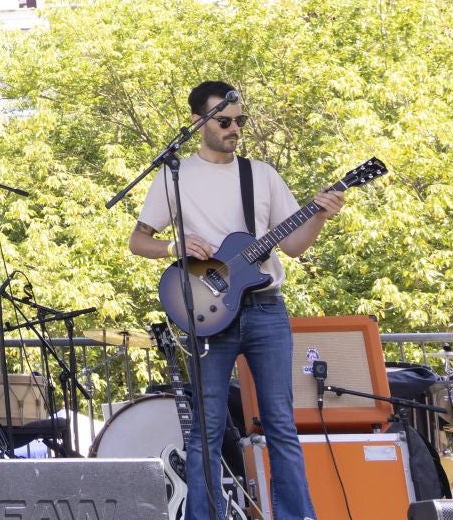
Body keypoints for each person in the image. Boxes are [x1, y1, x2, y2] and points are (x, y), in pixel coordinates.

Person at [129, 82, 345, 520]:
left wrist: (320, 213)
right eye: (224, 121)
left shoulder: (260, 174)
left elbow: (294, 246)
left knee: (281, 425)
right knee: (205, 430)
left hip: (266, 308)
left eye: (240, 121)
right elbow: (137, 241)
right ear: (198, 123)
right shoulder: (175, 175)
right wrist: (177, 247)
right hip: (208, 314)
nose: (234, 129)